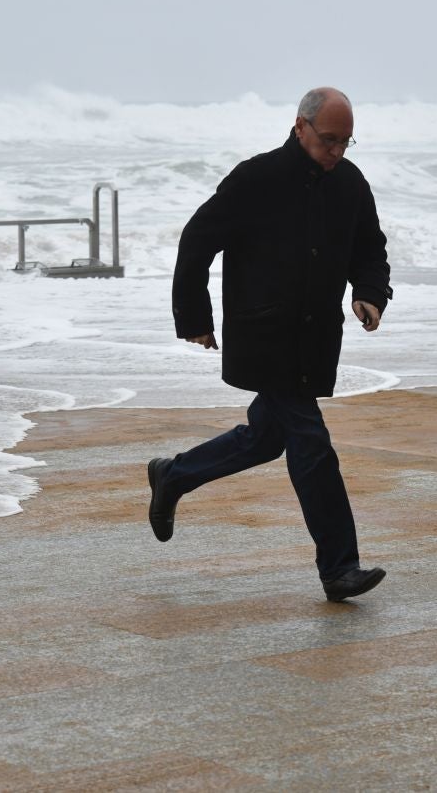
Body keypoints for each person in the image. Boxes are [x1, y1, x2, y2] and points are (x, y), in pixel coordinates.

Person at [148, 86, 393, 602]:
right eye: (329, 140)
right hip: (263, 334)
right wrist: (194, 316)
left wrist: (369, 293)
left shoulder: (349, 183)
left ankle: (174, 474)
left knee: (267, 437)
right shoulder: (255, 178)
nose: (337, 152)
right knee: (311, 445)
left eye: (347, 143)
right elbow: (196, 240)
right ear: (300, 127)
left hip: (315, 338)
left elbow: (370, 246)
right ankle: (339, 567)